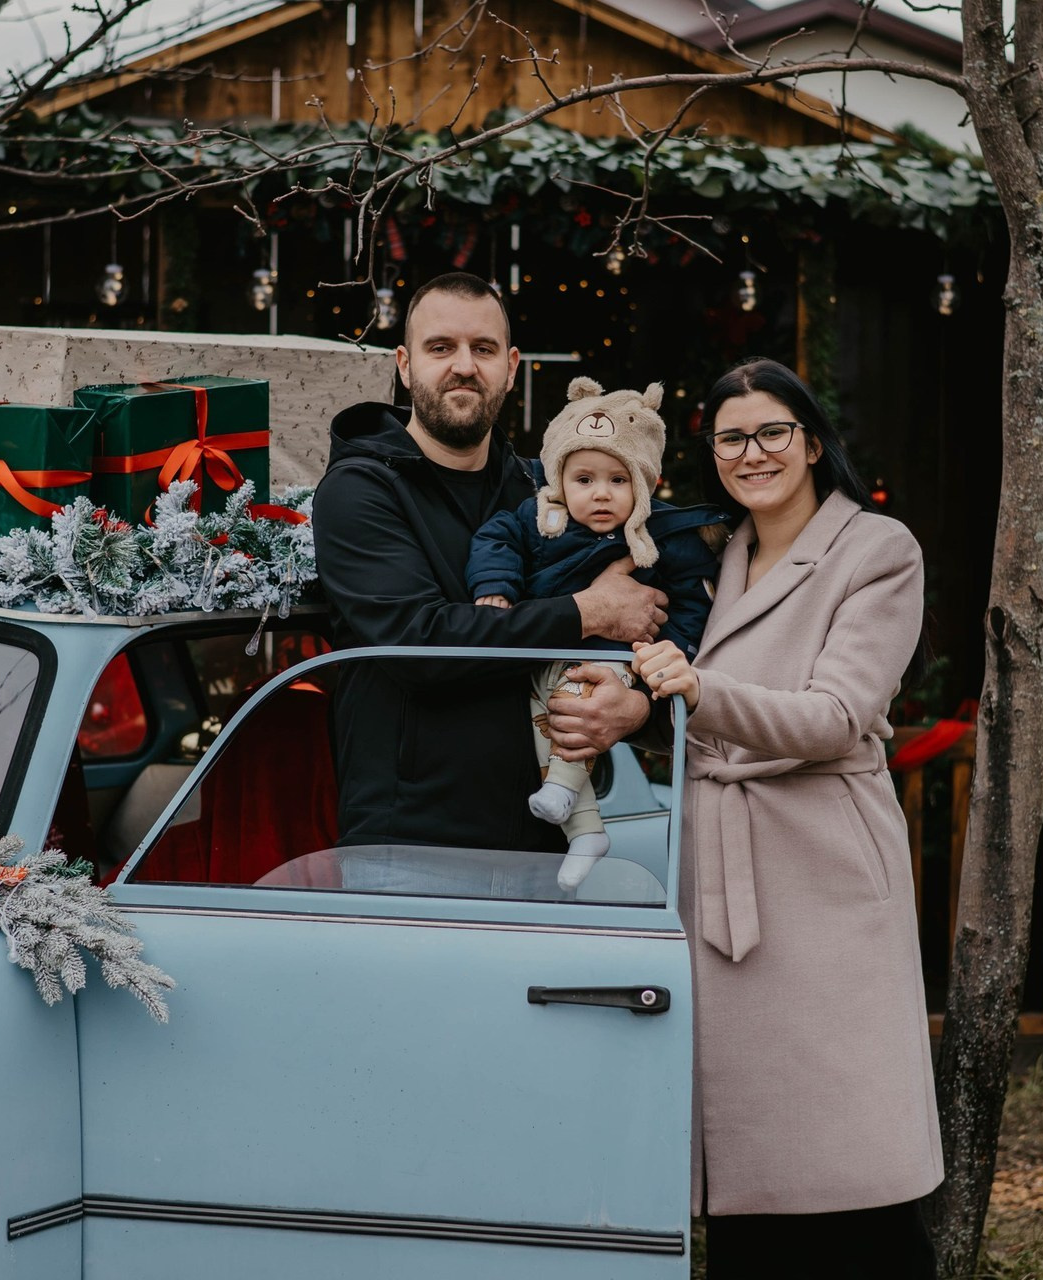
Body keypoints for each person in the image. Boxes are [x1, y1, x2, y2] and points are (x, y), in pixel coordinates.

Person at [627, 357, 942, 1278]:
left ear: (810, 442)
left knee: (850, 1156)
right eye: (731, 437)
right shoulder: (711, 555)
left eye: (771, 432)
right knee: (748, 1163)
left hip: (822, 867)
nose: (752, 452)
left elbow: (838, 716)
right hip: (719, 856)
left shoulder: (877, 550)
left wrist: (698, 691)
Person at [311, 272, 666, 854]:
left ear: (512, 366)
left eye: (483, 349)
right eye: (441, 348)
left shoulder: (545, 491)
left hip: (545, 832)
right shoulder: (360, 491)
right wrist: (588, 611)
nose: (464, 366)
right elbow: (418, 643)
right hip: (410, 840)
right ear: (404, 365)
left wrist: (634, 704)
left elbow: (642, 610)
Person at [466, 376, 729, 888]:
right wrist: (494, 587)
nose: (601, 494)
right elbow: (495, 539)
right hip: (546, 655)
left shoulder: (664, 534)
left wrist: (672, 651)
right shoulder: (542, 519)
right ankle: (585, 830)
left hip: (619, 659)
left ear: (645, 484)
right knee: (549, 725)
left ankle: (568, 800)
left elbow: (692, 600)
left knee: (580, 701)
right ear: (559, 481)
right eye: (584, 479)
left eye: (618, 480)